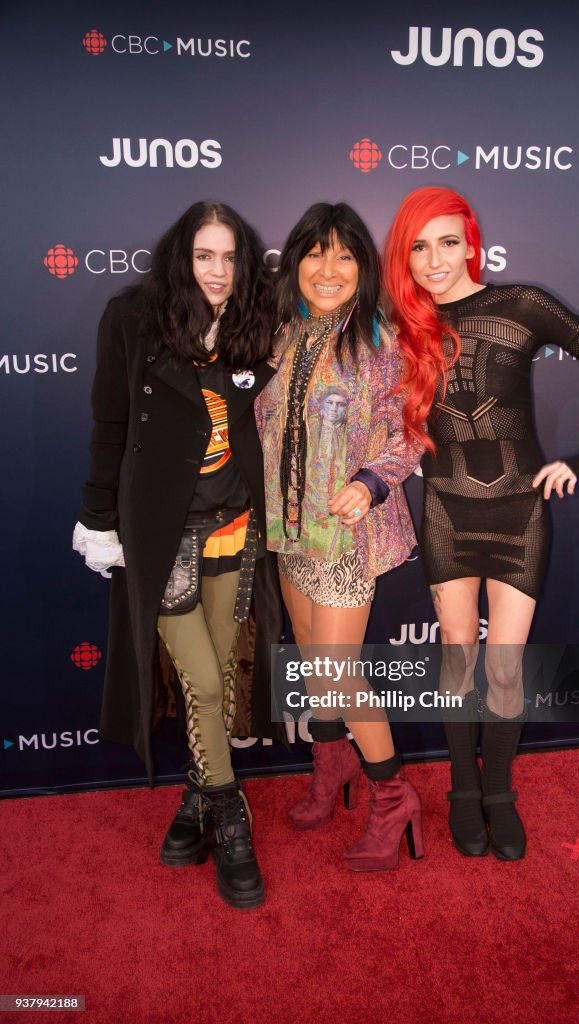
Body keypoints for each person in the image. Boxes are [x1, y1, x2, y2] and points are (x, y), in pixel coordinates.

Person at [384, 186, 579, 860]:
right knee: (457, 657)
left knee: (502, 667)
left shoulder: (521, 304)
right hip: (443, 511)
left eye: (446, 242)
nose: (434, 260)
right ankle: (463, 792)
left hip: (520, 511)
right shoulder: (401, 324)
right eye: (418, 247)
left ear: (471, 242)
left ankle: (499, 793)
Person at [73, 200, 281, 907]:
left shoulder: (258, 322)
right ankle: (230, 818)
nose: (218, 272)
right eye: (204, 255)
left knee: (217, 675)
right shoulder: (132, 317)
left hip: (236, 528)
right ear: (180, 257)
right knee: (207, 685)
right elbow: (109, 423)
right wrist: (98, 518)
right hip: (163, 536)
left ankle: (195, 801)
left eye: (229, 257)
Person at [257, 202, 424, 871]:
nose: (327, 270)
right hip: (288, 529)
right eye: (314, 254)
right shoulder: (283, 333)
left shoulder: (379, 339)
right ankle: (333, 768)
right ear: (294, 261)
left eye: (344, 256)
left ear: (364, 268)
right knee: (312, 664)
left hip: (347, 534)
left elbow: (408, 429)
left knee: (337, 672)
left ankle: (392, 797)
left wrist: (371, 482)